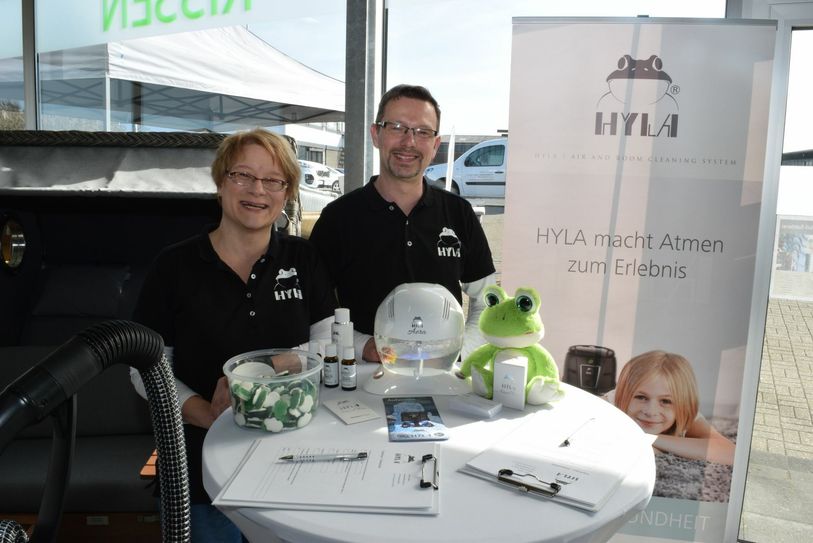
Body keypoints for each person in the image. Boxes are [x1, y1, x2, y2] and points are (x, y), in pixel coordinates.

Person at [130, 128, 336, 542]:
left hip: (291, 462)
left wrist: (268, 367)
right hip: (199, 473)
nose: (257, 190)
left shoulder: (305, 258)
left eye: (273, 180)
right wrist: (205, 411)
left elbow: (327, 342)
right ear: (220, 182)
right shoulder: (174, 267)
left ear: (287, 193)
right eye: (243, 175)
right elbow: (144, 371)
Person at [309, 84, 497, 362]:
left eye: (422, 132)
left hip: (446, 381)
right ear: (376, 134)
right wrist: (364, 346)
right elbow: (318, 312)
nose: (409, 142)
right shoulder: (338, 218)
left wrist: (458, 353)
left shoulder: (459, 213)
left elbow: (489, 302)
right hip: (363, 380)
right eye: (397, 127)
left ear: (435, 145)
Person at [611, 350, 735, 465]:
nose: (651, 411)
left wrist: (648, 439)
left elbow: (730, 453)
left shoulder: (684, 412)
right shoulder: (608, 405)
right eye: (641, 397)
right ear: (622, 394)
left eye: (665, 401)